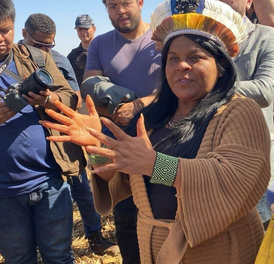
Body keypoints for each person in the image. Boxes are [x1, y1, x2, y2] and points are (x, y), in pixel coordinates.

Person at [41, 0, 271, 263]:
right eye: (173, 58)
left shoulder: (239, 111)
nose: (181, 66)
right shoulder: (153, 119)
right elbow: (123, 179)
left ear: (220, 66)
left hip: (220, 251)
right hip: (155, 247)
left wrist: (155, 165)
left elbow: (233, 180)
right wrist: (97, 148)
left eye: (195, 57)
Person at [0, 0, 84, 263]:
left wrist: (47, 100)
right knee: (18, 259)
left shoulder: (37, 58)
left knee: (59, 256)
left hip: (49, 181)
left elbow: (70, 98)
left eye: (5, 30)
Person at [21, 13, 118, 256]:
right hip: (31, 149)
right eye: (39, 45)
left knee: (82, 189)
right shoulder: (10, 62)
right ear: (24, 35)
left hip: (66, 136)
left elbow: (74, 97)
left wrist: (52, 100)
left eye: (49, 45)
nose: (44, 50)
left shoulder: (60, 61)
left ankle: (94, 235)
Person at [79, 1, 162, 263]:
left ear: (140, 2)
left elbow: (176, 89)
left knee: (166, 216)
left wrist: (138, 104)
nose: (120, 11)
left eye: (125, 3)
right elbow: (90, 90)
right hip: (121, 153)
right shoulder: (100, 44)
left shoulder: (163, 37)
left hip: (164, 146)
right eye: (112, 5)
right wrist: (112, 110)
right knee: (128, 223)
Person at [220, 0, 274, 228]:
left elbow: (265, 91)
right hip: (211, 151)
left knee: (260, 225)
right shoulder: (197, 37)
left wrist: (210, 87)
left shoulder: (266, 36)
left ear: (249, 1)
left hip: (255, 151)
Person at [67, 14, 96, 88]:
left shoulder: (104, 51)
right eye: (80, 29)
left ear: (94, 29)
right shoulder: (72, 56)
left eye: (86, 28)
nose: (83, 32)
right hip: (81, 97)